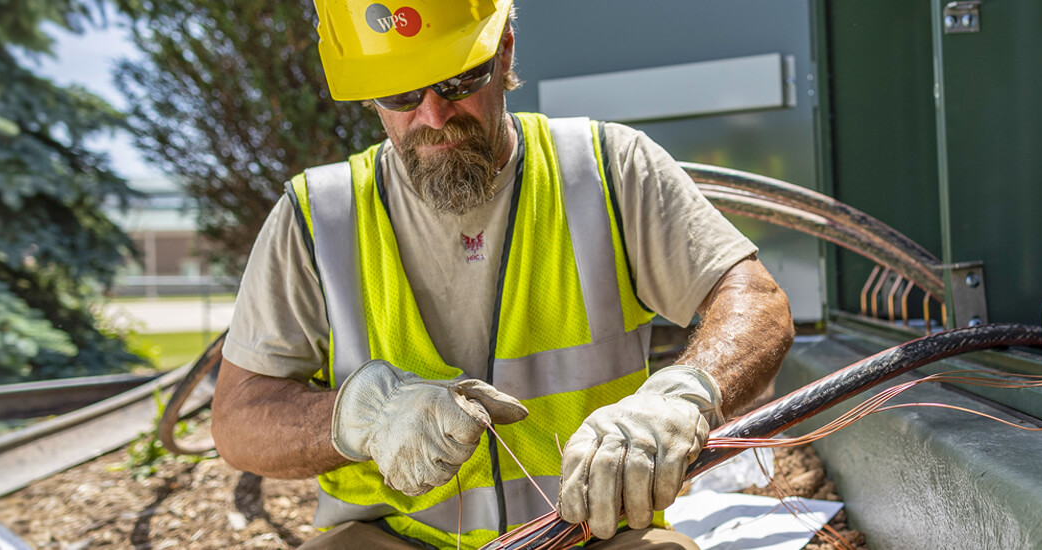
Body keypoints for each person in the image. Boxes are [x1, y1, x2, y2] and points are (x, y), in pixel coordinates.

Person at [209, 1, 795, 548]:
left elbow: (756, 300)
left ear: (506, 51)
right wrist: (359, 417)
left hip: (594, 534)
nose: (435, 115)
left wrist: (682, 396)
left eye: (460, 80)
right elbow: (238, 422)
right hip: (393, 538)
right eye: (401, 92)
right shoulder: (317, 218)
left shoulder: (606, 170)